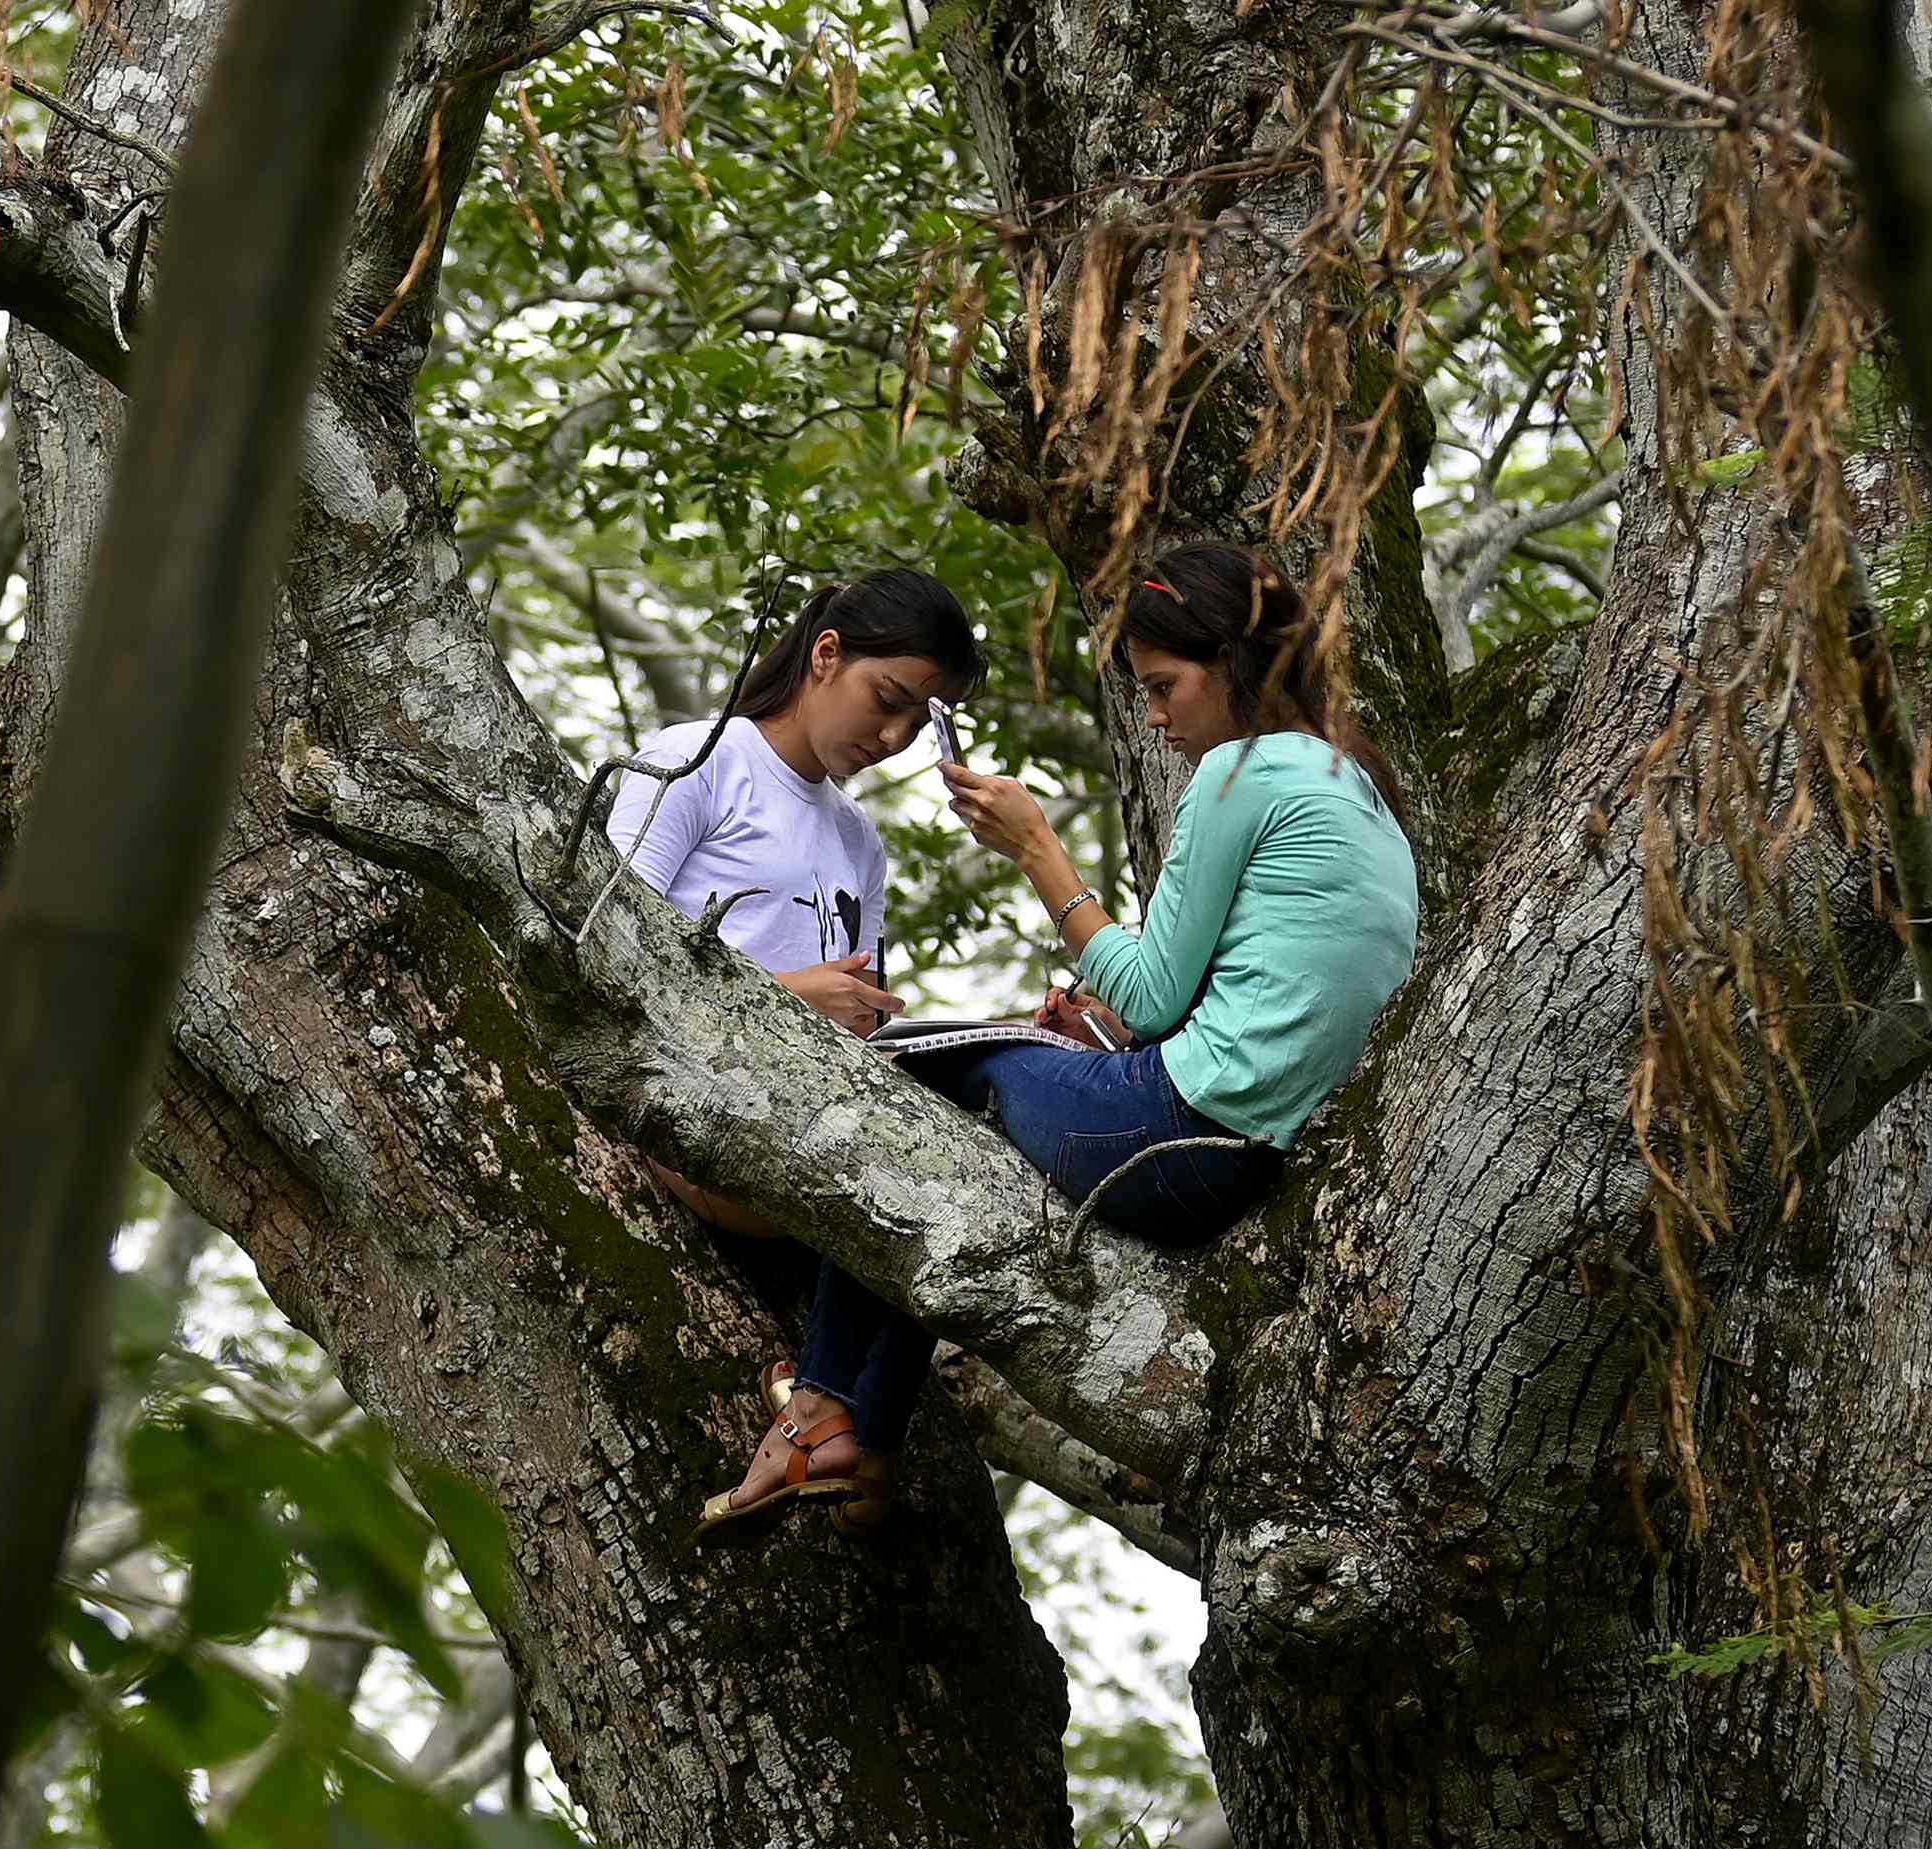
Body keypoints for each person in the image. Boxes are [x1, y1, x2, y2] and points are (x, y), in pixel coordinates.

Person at [701, 536, 1420, 1534]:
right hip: (1250, 1151)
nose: (1159, 719)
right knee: (960, 1152)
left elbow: (1158, 997)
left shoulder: (1239, 775)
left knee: (901, 1089)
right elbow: (1241, 994)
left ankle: (826, 1408)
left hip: (1178, 1130)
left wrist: (1037, 848)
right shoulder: (1356, 784)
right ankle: (848, 1433)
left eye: (1165, 688)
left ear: (1235, 666)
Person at [605, 566, 992, 1459]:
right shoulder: (697, 762)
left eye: (913, 723)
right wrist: (785, 998)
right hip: (699, 1116)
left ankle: (853, 1437)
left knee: (991, 1095)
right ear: (826, 655)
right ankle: (833, 1417)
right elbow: (597, 959)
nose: (891, 737)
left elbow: (862, 1023)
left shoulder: (859, 840)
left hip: (817, 1122)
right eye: (885, 699)